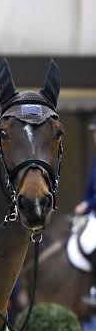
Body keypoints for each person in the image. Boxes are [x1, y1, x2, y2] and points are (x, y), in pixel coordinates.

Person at [75, 116, 96, 304]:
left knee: (91, 243)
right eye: (94, 133)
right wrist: (85, 203)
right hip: (94, 214)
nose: (94, 136)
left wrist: (88, 204)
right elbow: (91, 191)